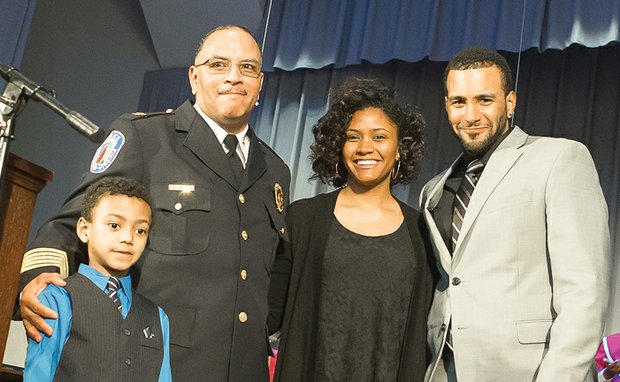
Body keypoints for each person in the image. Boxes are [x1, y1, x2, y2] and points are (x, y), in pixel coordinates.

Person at [18, 25, 290, 381]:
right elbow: (74, 222)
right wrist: (38, 280)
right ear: (194, 77)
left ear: (260, 84)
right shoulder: (145, 138)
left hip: (244, 369)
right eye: (219, 64)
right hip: (156, 361)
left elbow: (272, 274)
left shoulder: (275, 170)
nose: (234, 78)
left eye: (248, 68)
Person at [419, 46, 610, 381]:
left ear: (510, 103)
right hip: (444, 370)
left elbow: (585, 292)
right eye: (459, 102)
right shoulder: (433, 189)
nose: (471, 115)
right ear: (447, 106)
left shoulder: (559, 159)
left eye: (484, 100)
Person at [270, 77, 435, 381]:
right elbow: (265, 313)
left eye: (379, 137)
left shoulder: (423, 231)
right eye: (353, 137)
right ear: (338, 146)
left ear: (400, 149)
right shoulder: (304, 219)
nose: (365, 148)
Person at [23, 176, 171, 381]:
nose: (127, 238)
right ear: (85, 230)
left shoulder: (158, 317)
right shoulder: (58, 298)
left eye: (140, 230)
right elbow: (39, 375)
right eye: (114, 225)